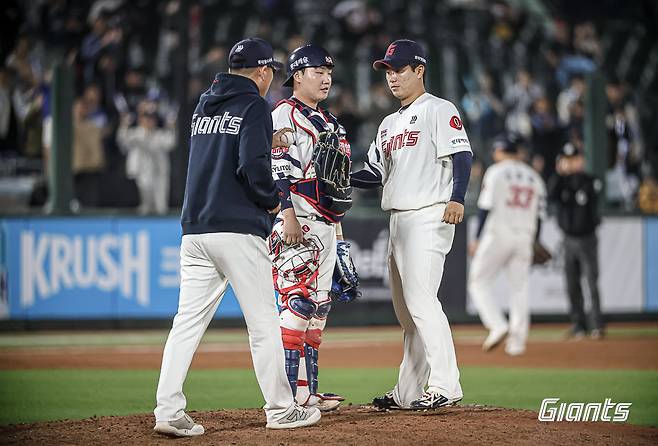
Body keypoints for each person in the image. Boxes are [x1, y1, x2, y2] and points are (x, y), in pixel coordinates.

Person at [153, 38, 321, 437]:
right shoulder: (254, 106)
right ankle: (281, 408)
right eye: (272, 73)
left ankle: (167, 411)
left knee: (186, 324)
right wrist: (271, 202)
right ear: (263, 73)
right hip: (238, 228)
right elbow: (252, 167)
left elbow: (215, 156)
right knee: (264, 323)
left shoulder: (202, 105)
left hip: (195, 229)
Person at [351, 39, 472, 410]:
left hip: (429, 214)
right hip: (398, 219)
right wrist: (340, 175)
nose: (392, 77)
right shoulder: (388, 124)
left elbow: (462, 154)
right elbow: (375, 173)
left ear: (419, 70)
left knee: (421, 301)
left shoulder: (439, 108)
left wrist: (458, 197)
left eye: (399, 69)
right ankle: (407, 392)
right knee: (408, 314)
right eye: (388, 70)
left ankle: (446, 385)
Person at [269, 44, 353, 412]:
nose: (326, 77)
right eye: (317, 71)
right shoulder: (283, 114)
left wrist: (340, 237)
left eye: (329, 71)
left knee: (320, 307)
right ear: (297, 76)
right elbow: (278, 169)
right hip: (296, 221)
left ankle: (307, 392)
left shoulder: (331, 122)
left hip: (326, 224)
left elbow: (338, 186)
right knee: (297, 303)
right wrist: (285, 213)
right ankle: (286, 397)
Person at [468, 136, 547, 356]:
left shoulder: (496, 172)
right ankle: (517, 343)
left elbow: (485, 207)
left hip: (499, 234)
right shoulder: (534, 177)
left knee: (478, 282)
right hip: (525, 237)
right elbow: (540, 216)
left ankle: (497, 324)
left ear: (501, 151)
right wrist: (536, 241)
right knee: (519, 288)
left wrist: (476, 238)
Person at [548, 143, 604, 339]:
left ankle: (597, 324)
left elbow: (594, 197)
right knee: (572, 284)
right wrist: (560, 173)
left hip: (587, 238)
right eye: (566, 160)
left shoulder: (590, 181)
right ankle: (579, 324)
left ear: (581, 160)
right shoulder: (561, 182)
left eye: (574, 159)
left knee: (591, 282)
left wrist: (573, 175)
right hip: (568, 239)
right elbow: (551, 194)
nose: (570, 163)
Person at [117, 102, 175, 215]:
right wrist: (124, 124)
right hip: (140, 174)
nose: (149, 121)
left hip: (159, 175)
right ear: (140, 119)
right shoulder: (135, 134)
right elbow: (122, 140)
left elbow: (171, 142)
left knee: (161, 206)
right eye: (146, 118)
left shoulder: (160, 134)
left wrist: (171, 127)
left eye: (151, 118)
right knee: (144, 207)